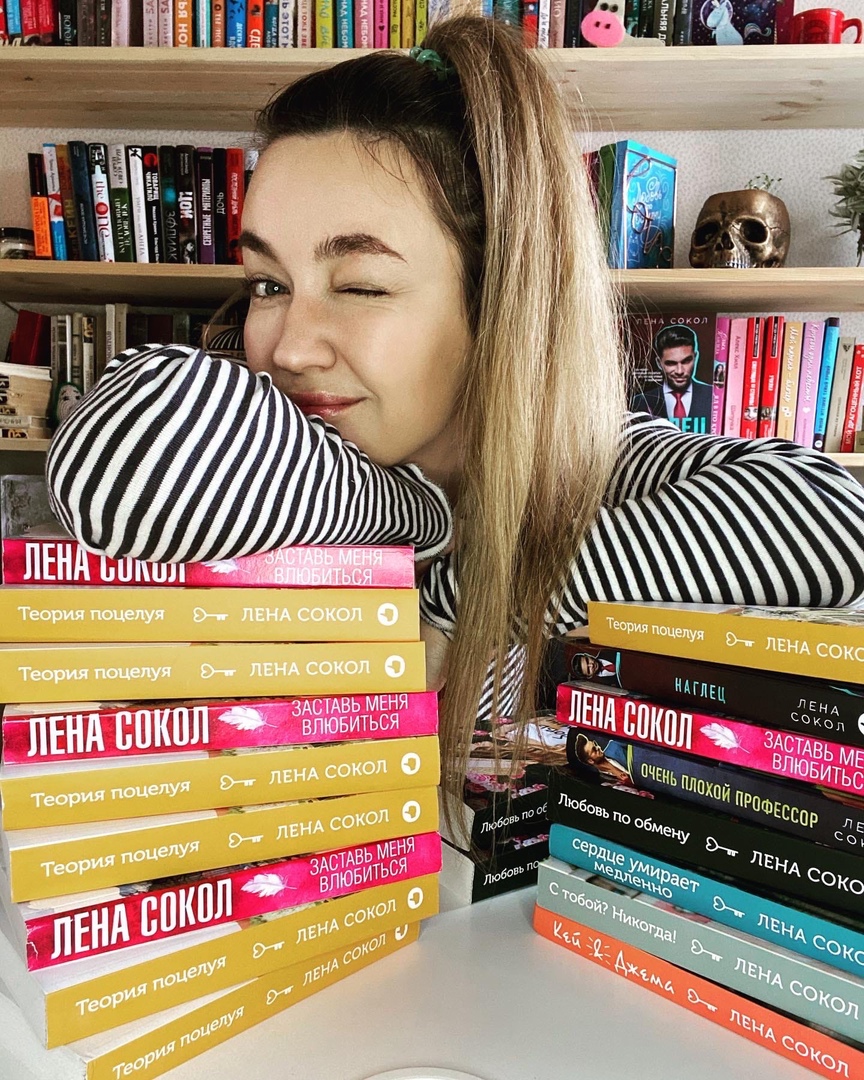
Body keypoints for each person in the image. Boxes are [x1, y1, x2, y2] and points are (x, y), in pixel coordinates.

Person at [45, 17, 864, 845]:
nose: (288, 347)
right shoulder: (258, 436)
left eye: (360, 286)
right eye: (267, 283)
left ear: (500, 298)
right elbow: (118, 455)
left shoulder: (598, 464)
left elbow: (832, 516)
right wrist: (405, 511)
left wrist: (458, 600)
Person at [630, 324, 713, 430]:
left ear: (695, 357)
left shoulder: (714, 397)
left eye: (686, 361)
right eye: (671, 363)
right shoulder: (641, 402)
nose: (679, 371)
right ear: (659, 363)